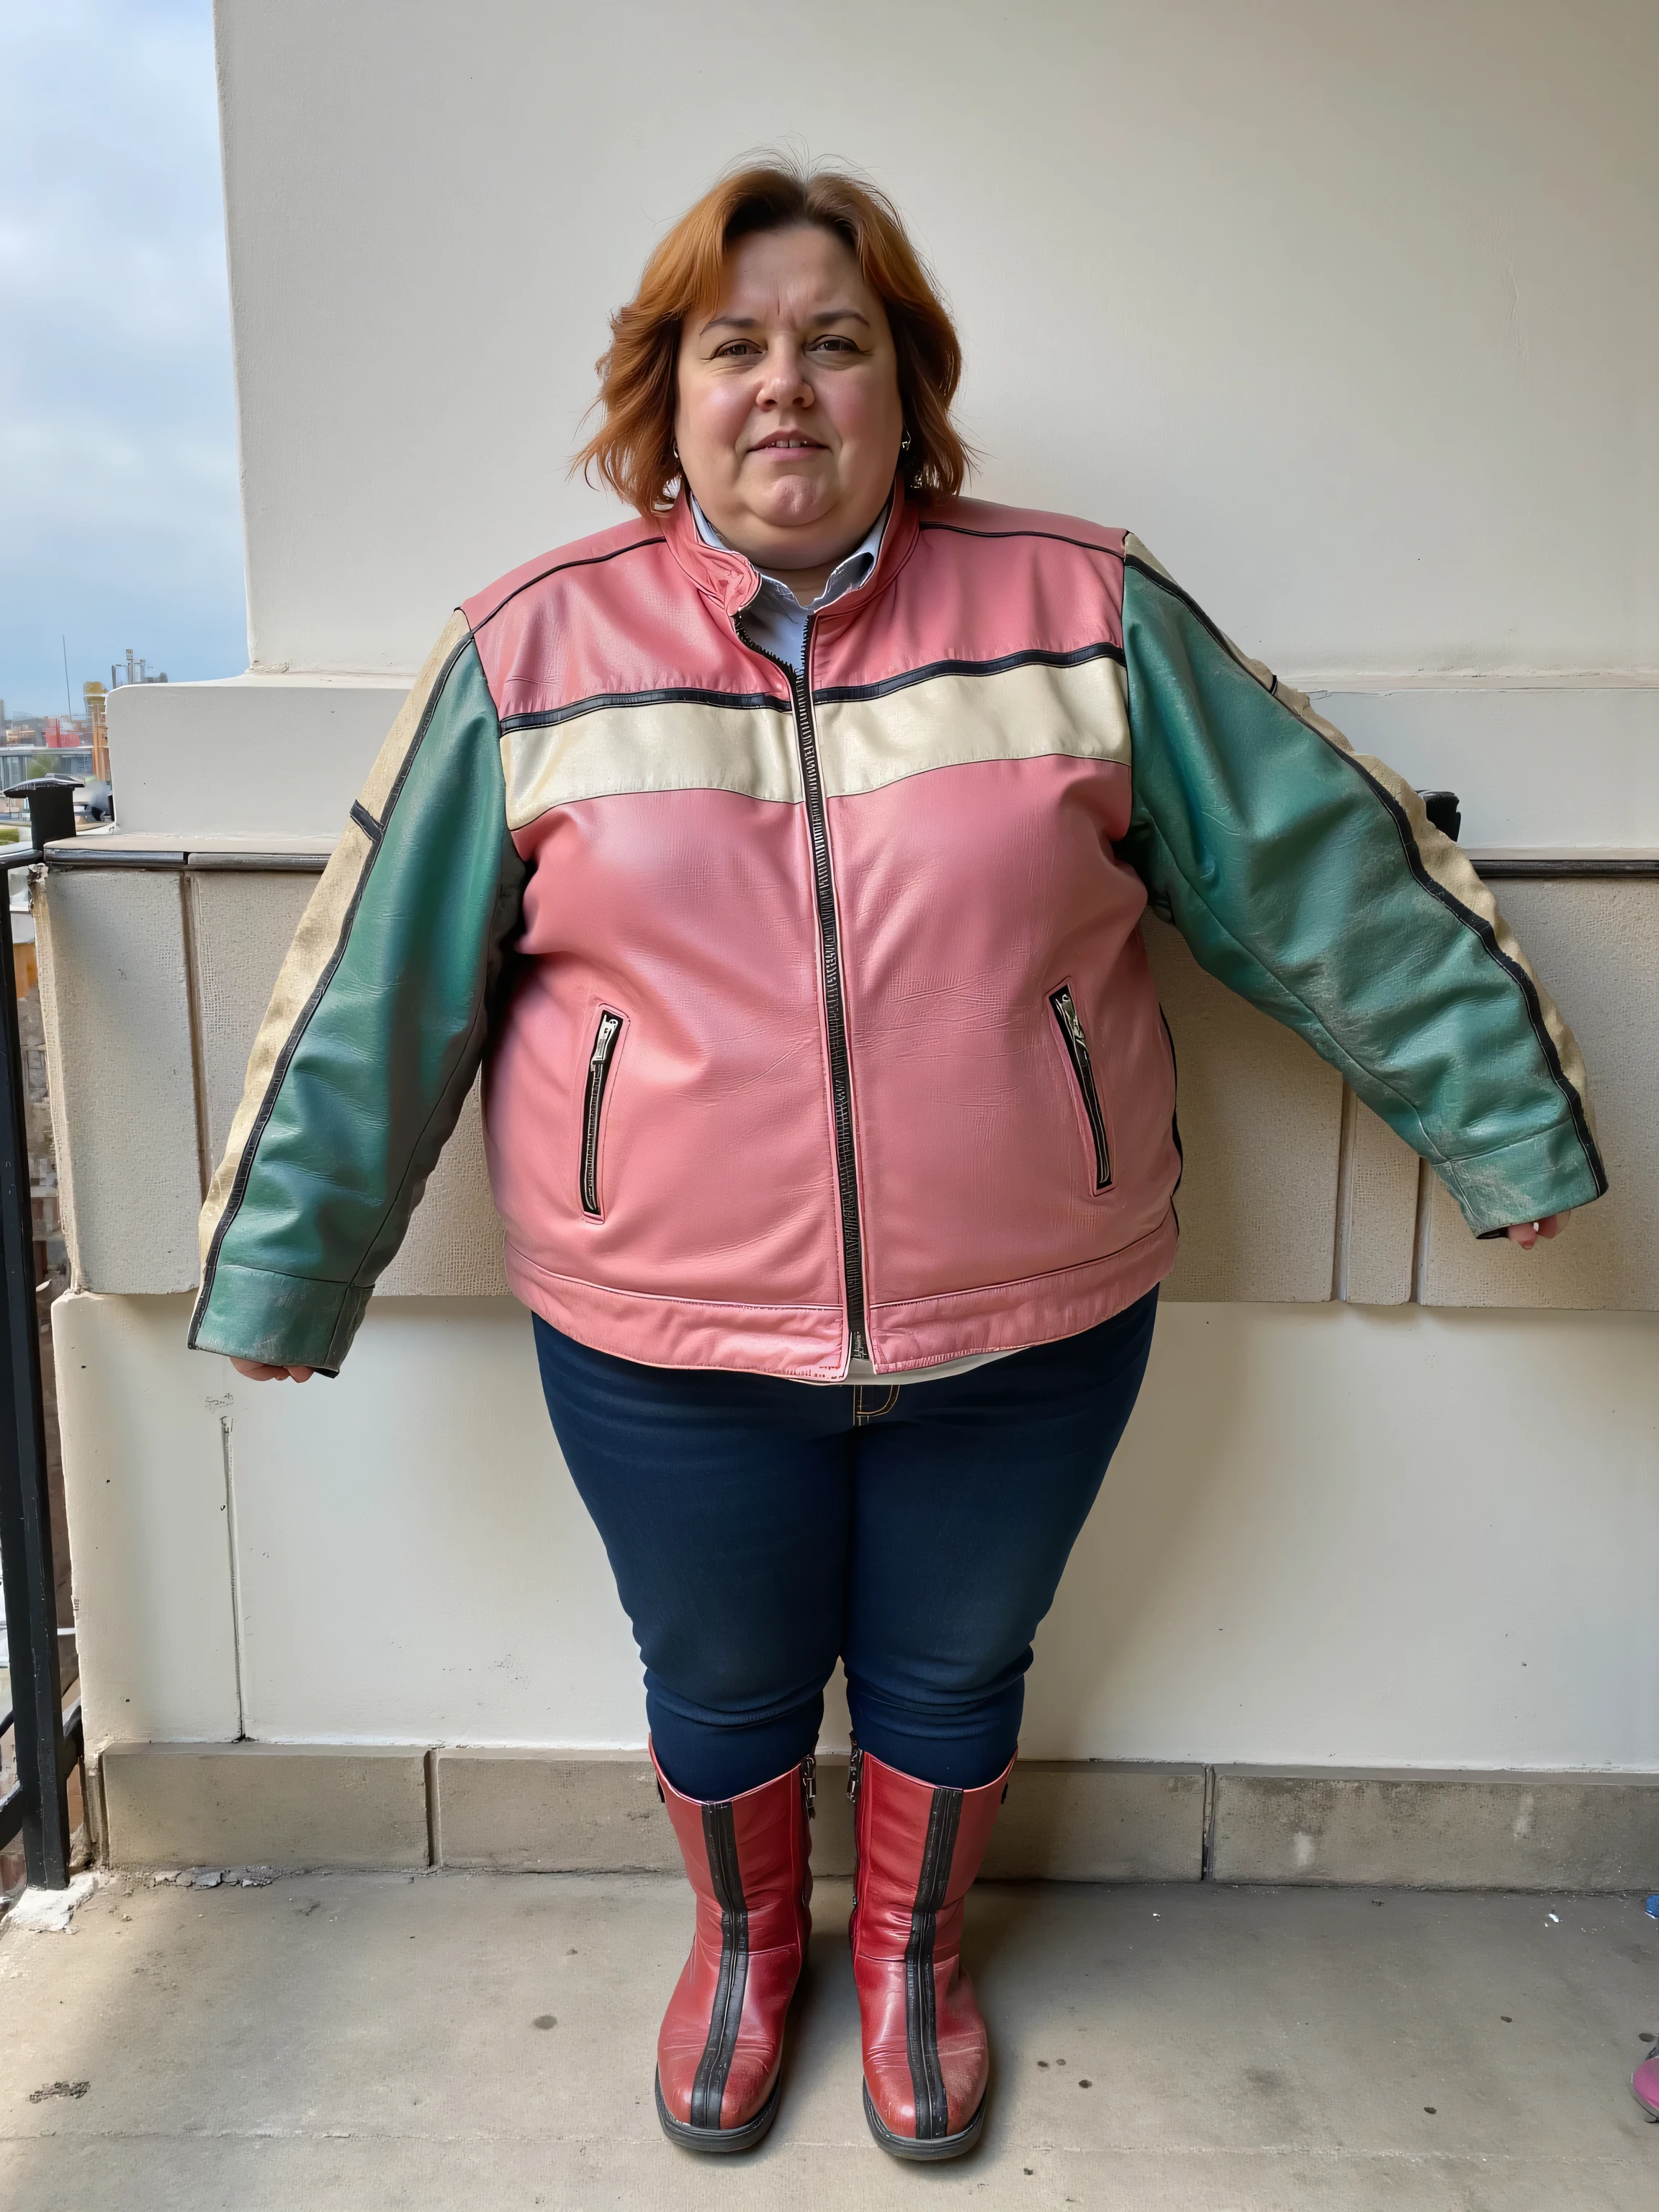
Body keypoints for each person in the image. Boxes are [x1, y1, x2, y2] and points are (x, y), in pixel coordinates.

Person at [188, 160, 1601, 2162]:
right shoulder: (533, 654)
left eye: (835, 343)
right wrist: (284, 1272)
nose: (786, 387)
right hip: (665, 1337)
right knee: (718, 1675)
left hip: (1030, 1315)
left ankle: (914, 1961)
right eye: (734, 345)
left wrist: (1503, 1118)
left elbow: (1322, 885)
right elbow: (371, 995)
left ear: (907, 390)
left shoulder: (1081, 613)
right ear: (663, 395)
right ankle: (754, 1959)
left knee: (953, 1668)